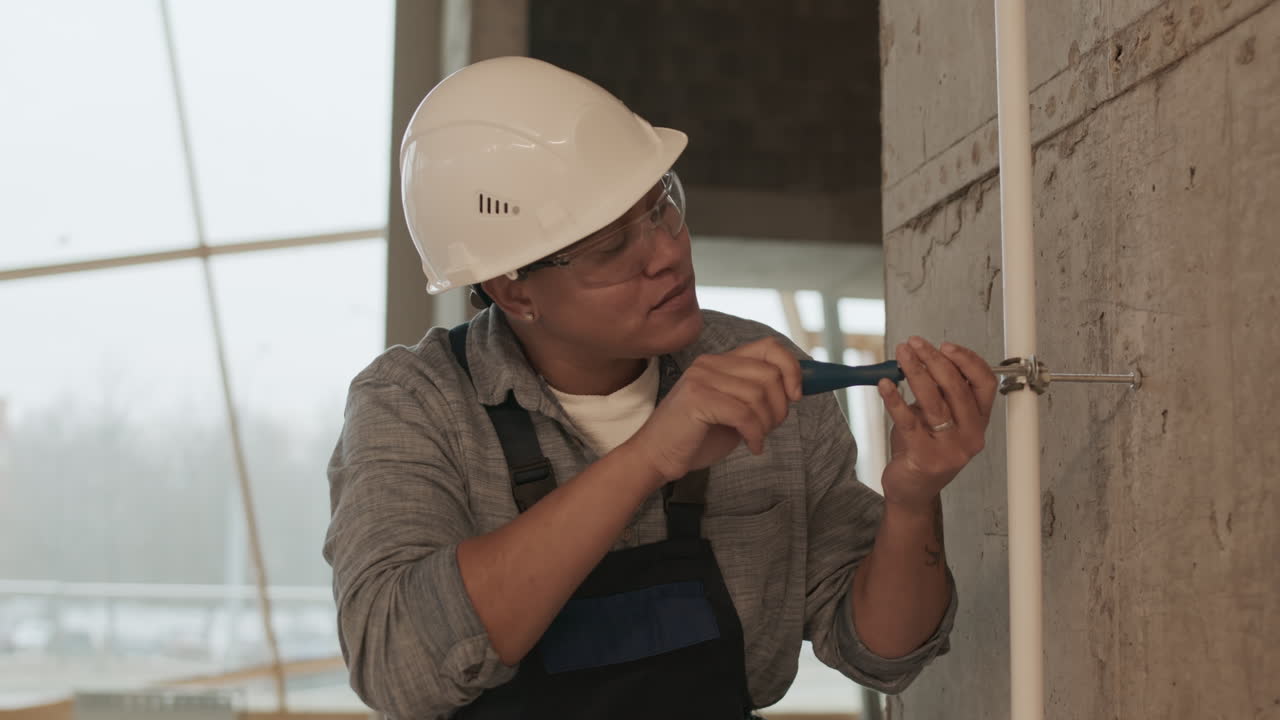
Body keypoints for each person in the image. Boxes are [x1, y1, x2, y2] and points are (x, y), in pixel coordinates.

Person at [324, 56, 997, 720]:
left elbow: (881, 655)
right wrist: (648, 457)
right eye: (612, 247)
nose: (668, 252)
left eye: (662, 207)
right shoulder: (415, 405)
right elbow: (397, 667)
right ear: (513, 290)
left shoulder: (763, 370)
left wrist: (912, 505)